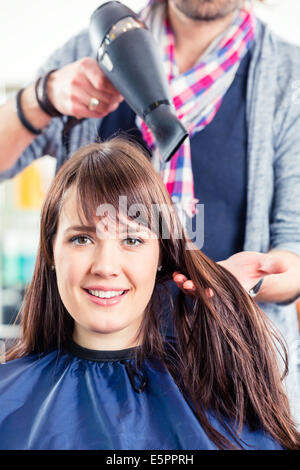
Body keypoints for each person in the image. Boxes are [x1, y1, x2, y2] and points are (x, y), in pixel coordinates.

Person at [0, 0, 299, 421]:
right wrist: (41, 98)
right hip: (89, 372)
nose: (107, 264)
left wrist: (240, 282)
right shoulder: (89, 52)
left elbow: (295, 247)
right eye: (84, 237)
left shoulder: (288, 77)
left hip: (228, 380)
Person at [0, 137, 299, 450]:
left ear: (161, 257)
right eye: (82, 239)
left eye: (131, 241)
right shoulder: (8, 400)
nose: (105, 267)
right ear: (50, 251)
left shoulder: (225, 402)